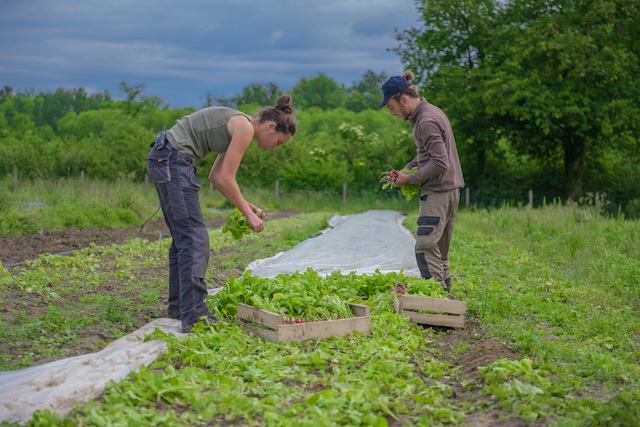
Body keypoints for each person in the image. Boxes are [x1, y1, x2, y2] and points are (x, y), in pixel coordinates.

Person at [146, 95, 298, 333]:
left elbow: (217, 178)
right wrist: (248, 214)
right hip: (173, 161)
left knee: (184, 240)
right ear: (270, 127)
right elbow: (226, 178)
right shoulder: (245, 128)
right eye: (278, 142)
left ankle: (180, 309)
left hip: (165, 158)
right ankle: (194, 315)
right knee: (195, 239)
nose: (274, 148)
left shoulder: (238, 125)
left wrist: (247, 205)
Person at [379, 72, 464, 294]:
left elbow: (440, 162)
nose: (392, 113)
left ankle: (434, 298)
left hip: (438, 192)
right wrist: (408, 167)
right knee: (439, 251)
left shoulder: (425, 121)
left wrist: (410, 178)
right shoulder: (431, 113)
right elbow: (428, 155)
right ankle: (444, 300)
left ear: (403, 99)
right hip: (451, 190)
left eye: (391, 106)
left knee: (425, 247)